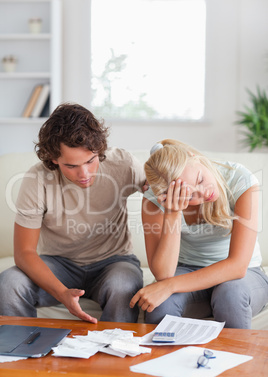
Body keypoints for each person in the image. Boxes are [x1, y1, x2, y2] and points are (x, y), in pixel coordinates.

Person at [0, 103, 146, 323]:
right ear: (53, 159)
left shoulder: (123, 163)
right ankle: (24, 351)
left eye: (90, 161)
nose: (84, 174)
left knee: (123, 286)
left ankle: (113, 353)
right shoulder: (36, 180)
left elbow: (158, 187)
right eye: (71, 166)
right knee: (9, 284)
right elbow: (24, 252)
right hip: (59, 264)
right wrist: (61, 292)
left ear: (100, 150)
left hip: (114, 261)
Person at [130, 139, 268, 328]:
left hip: (243, 277)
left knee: (230, 295)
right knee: (159, 305)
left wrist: (170, 286)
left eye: (200, 179)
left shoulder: (239, 179)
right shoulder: (154, 200)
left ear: (195, 158)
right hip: (189, 268)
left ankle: (235, 358)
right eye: (189, 195)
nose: (204, 192)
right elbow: (163, 273)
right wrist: (173, 214)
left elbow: (238, 266)